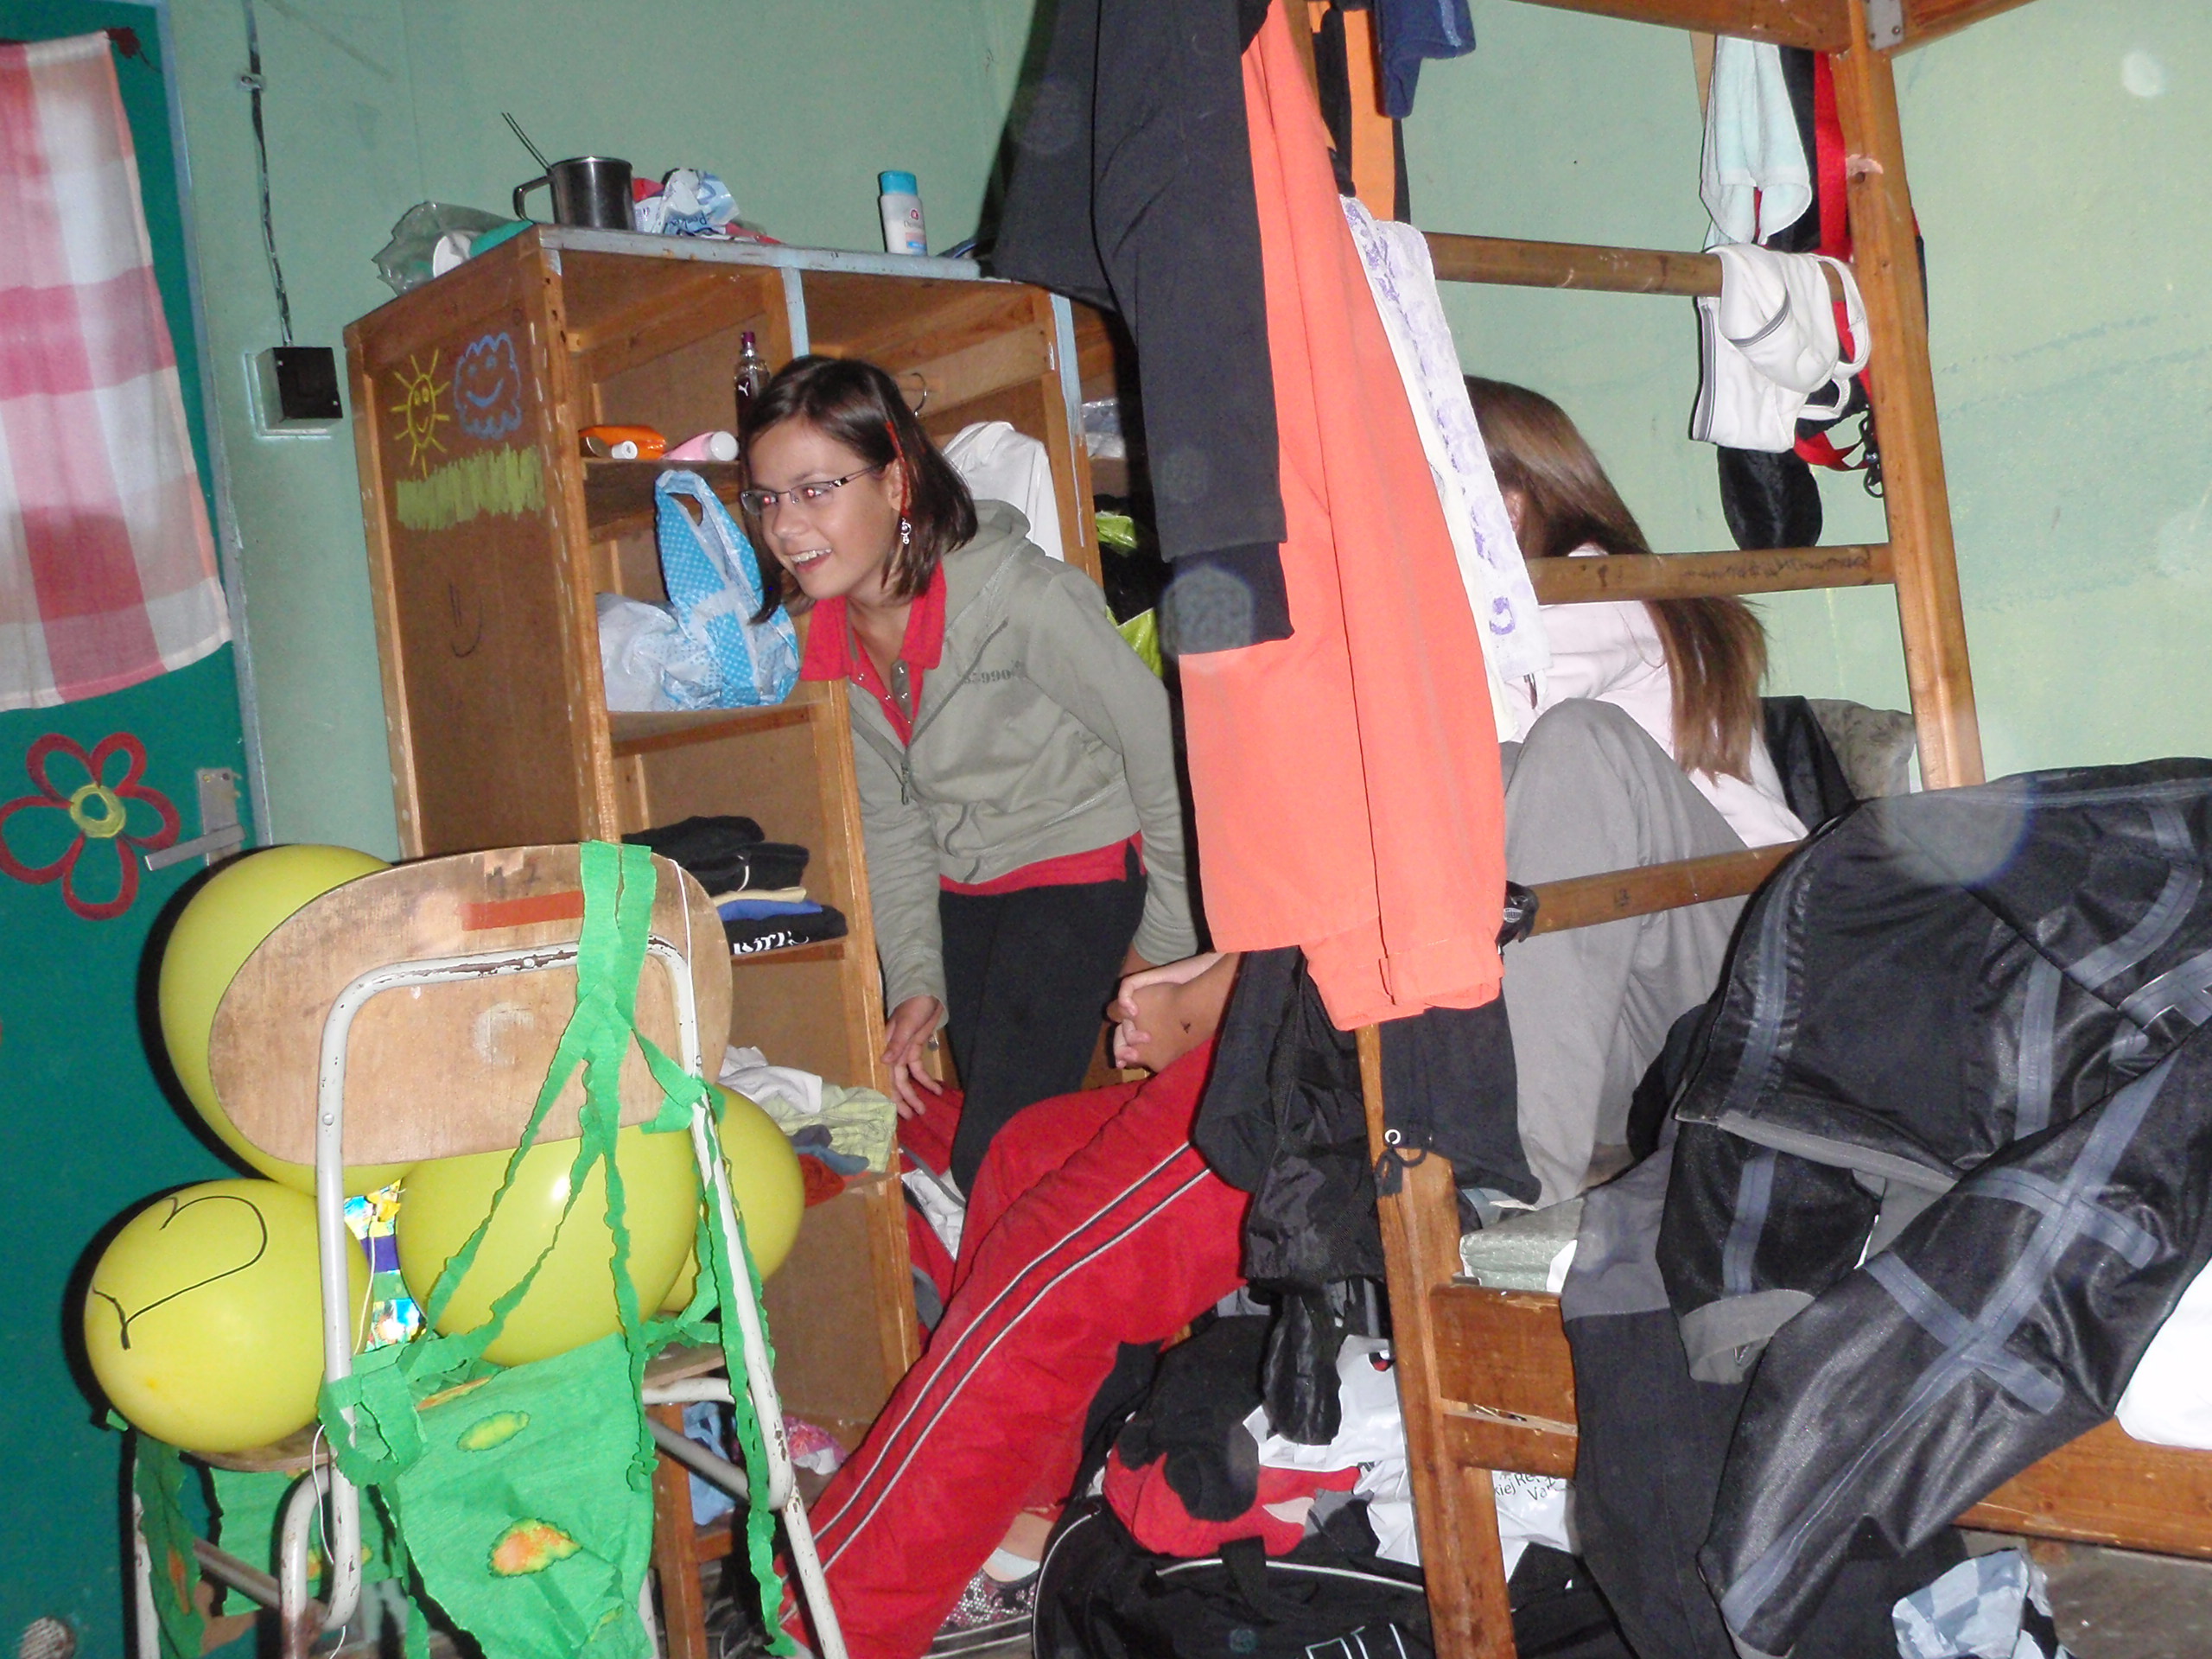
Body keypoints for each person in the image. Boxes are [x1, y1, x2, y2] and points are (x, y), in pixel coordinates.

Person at [741, 357, 1198, 1190]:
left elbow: (1163, 753)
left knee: (998, 1155)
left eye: (814, 490)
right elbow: (893, 824)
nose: (784, 525)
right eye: (766, 498)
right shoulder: (828, 640)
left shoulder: (1022, 598)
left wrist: (1164, 941)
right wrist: (915, 979)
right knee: (1005, 1152)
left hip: (1079, 865)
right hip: (968, 891)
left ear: (895, 482)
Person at [787, 950, 1243, 1659]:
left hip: (1319, 1063)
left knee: (1045, 1293)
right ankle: (1027, 1525)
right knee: (1028, 1154)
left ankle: (836, 1630)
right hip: (1269, 1027)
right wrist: (1187, 988)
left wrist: (1186, 1012)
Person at [1465, 377, 1808, 1204]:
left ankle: (1522, 1186)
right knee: (1469, 799)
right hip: (1643, 1037)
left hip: (1755, 980)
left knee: (1573, 745)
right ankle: (1458, 1139)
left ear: (1507, 506)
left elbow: (1463, 730)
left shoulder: (1594, 589)